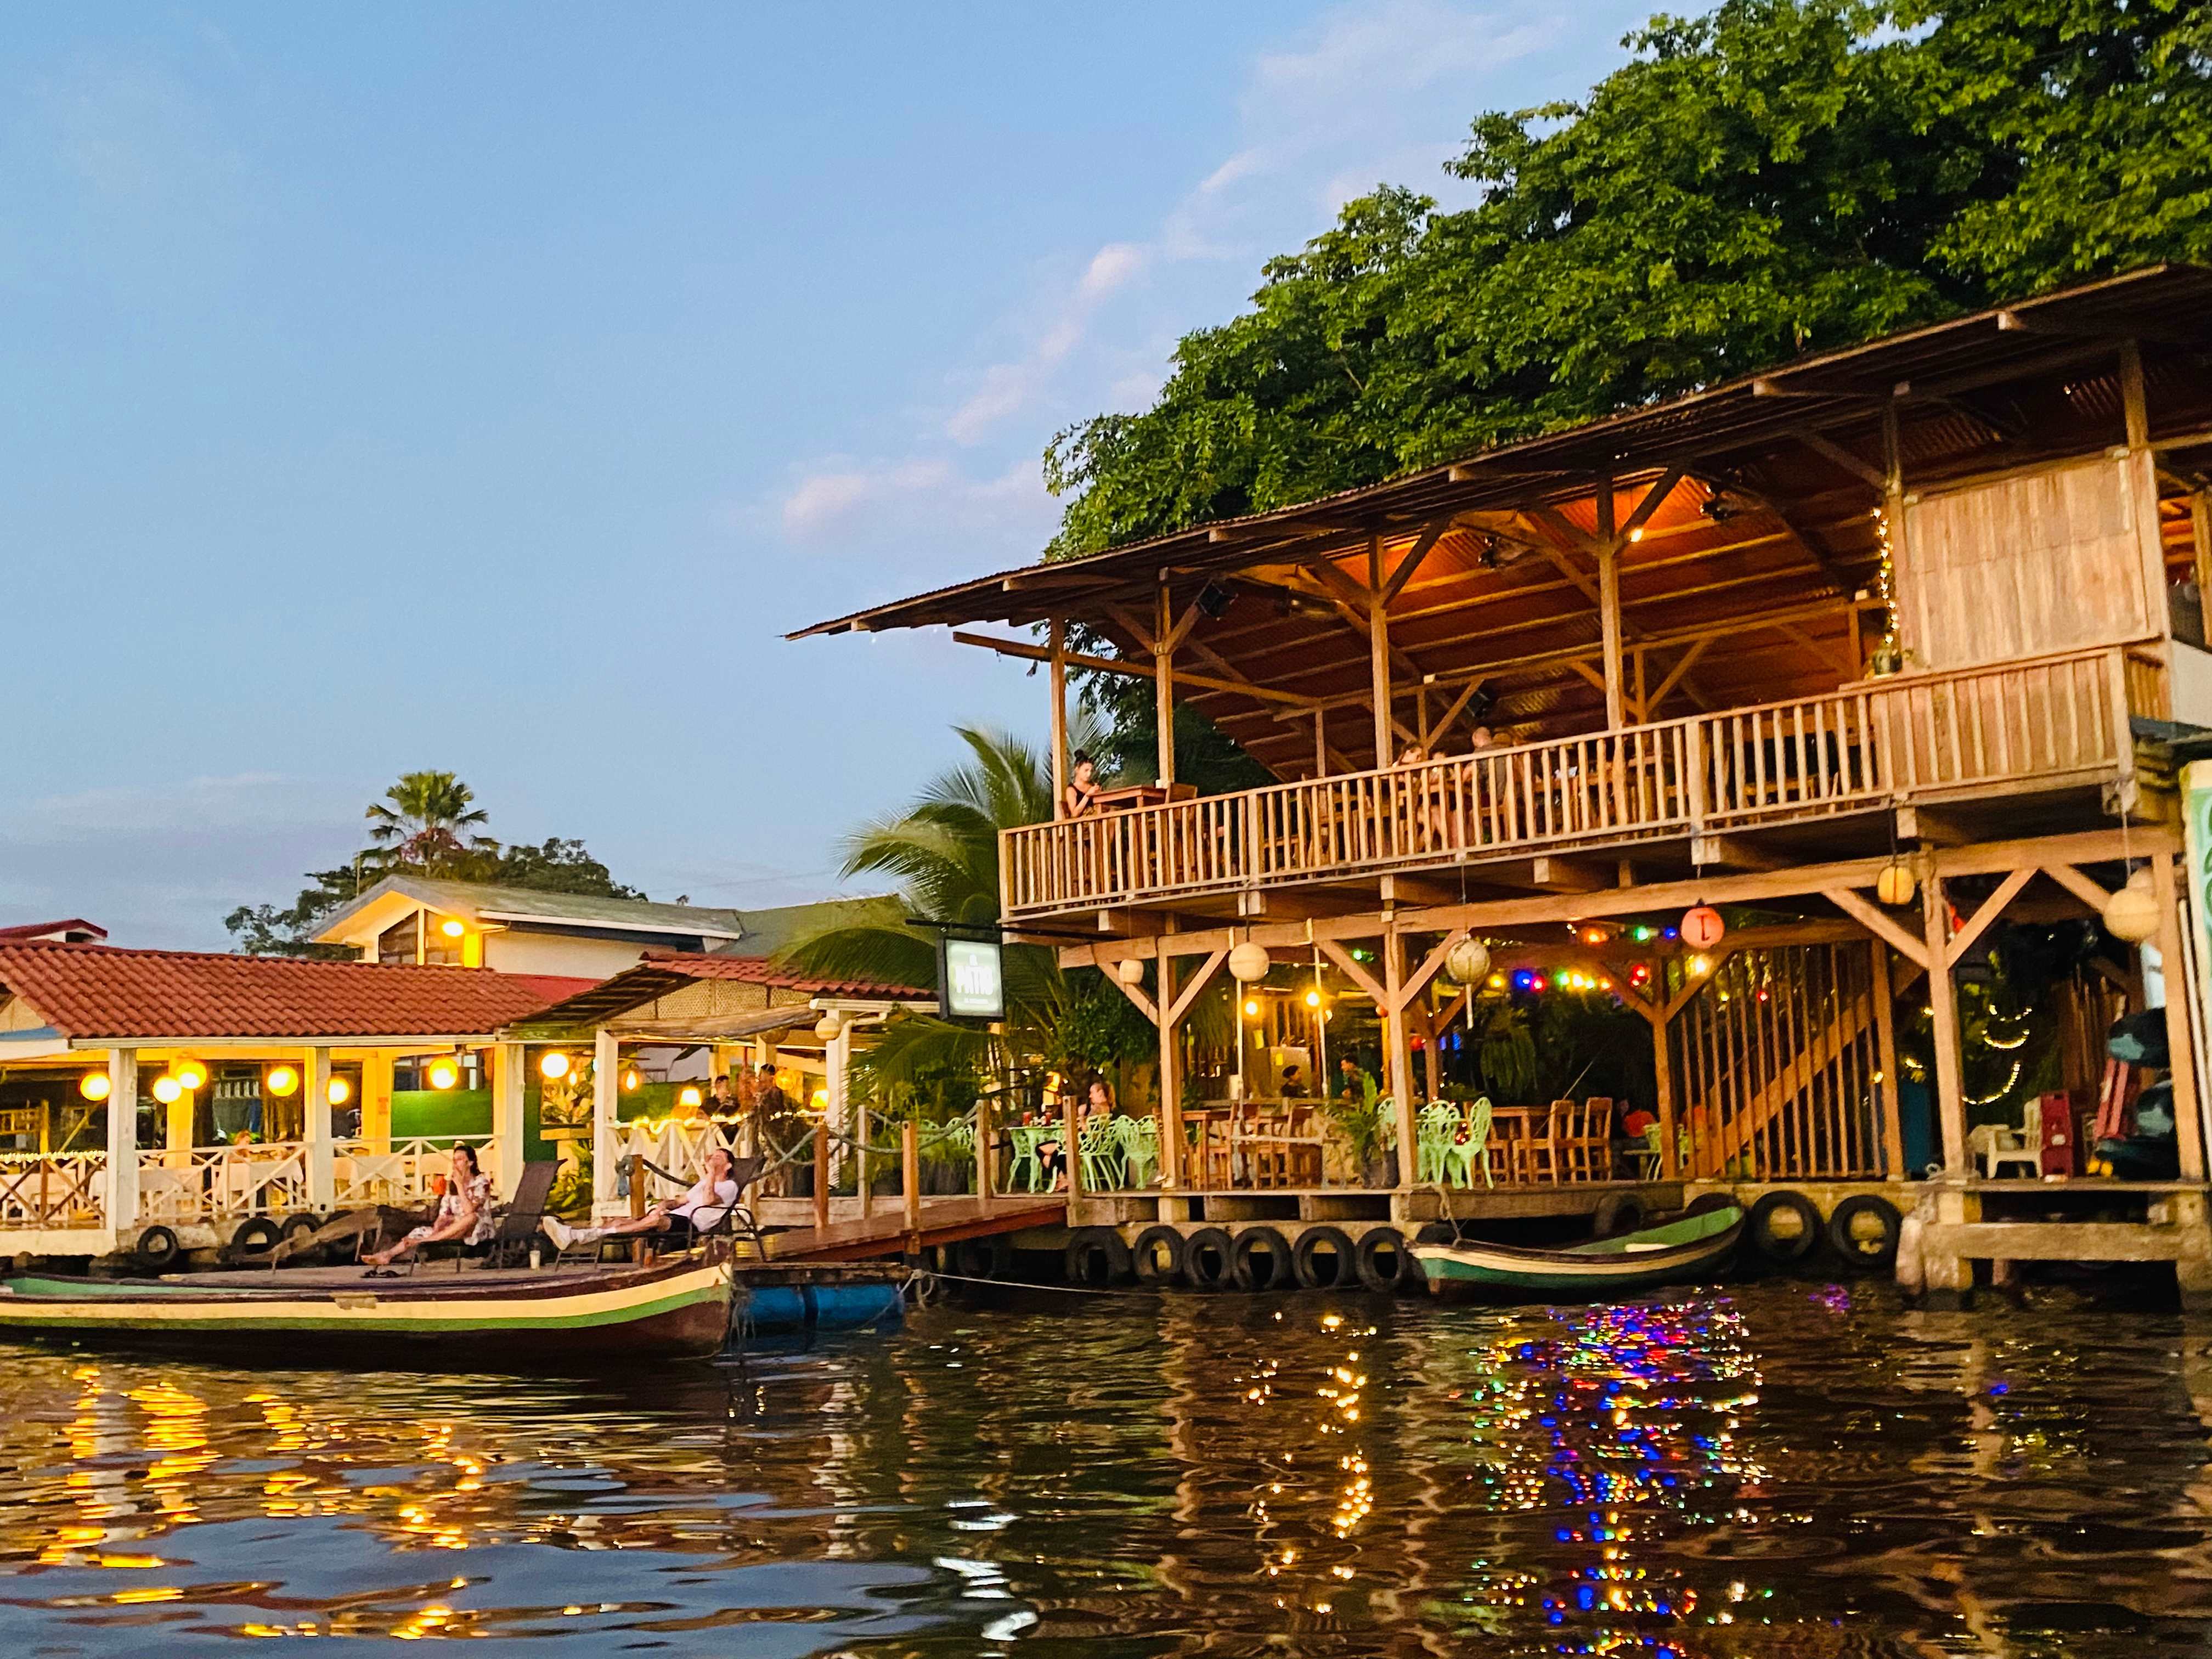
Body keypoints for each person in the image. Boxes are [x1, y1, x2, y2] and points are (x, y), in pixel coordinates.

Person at [543, 1147, 742, 1254]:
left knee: (653, 1221)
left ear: (727, 1167)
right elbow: (680, 1201)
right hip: (675, 1217)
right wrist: (663, 1205)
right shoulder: (702, 1183)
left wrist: (710, 1174)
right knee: (623, 1220)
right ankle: (576, 1235)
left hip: (692, 1225)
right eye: (713, 1157)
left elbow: (708, 1200)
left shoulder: (730, 1186)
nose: (713, 1160)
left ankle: (586, 1236)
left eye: (719, 1158)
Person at [363, 1144, 493, 1269]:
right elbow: (443, 1215)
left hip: (477, 1228)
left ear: (470, 1163)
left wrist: (460, 1186)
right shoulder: (451, 1185)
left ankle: (426, 1241)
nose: (455, 1164)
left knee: (471, 1217)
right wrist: (438, 1226)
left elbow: (470, 1210)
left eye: (459, 1160)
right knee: (420, 1231)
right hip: (454, 1229)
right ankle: (387, 1255)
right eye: (453, 1160)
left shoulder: (481, 1183)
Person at [1064, 750, 1103, 818]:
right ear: (1077, 770)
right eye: (1086, 771)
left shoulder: (1093, 786)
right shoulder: (1071, 790)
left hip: (1099, 818)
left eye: (1091, 771)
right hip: (1083, 823)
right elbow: (1074, 814)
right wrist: (1087, 795)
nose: (1089, 774)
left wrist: (1100, 794)